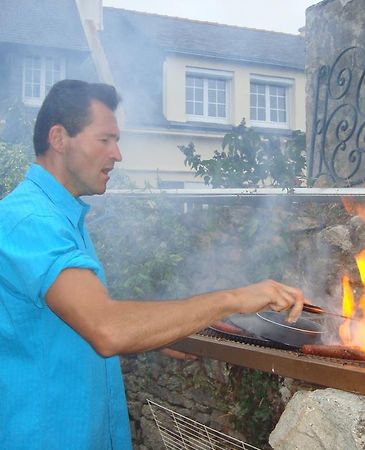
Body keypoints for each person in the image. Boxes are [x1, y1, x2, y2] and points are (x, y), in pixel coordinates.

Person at [0, 79, 305, 450]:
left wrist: (155, 336)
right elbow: (108, 327)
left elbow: (65, 323)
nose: (117, 154)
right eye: (105, 140)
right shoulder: (32, 222)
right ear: (59, 138)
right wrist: (236, 298)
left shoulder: (61, 217)